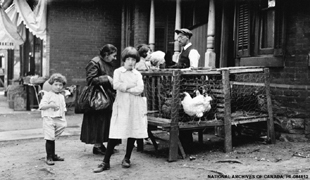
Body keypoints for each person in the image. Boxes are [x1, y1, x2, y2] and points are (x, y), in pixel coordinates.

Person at [93, 46, 148, 173]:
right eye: (128, 59)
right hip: (121, 104)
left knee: (132, 129)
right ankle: (105, 161)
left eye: (133, 60)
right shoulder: (118, 72)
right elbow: (116, 85)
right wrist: (130, 87)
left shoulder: (137, 74)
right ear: (124, 60)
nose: (131, 62)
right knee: (115, 131)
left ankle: (127, 158)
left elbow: (140, 89)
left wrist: (126, 88)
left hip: (134, 104)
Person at [80, 44, 118, 155]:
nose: (115, 58)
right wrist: (106, 78)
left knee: (104, 121)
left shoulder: (103, 62)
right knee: (99, 121)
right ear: (106, 54)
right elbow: (91, 80)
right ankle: (98, 146)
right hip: (98, 98)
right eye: (113, 55)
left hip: (104, 97)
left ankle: (100, 145)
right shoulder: (95, 62)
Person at [39, 73, 67, 166]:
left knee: (53, 136)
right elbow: (41, 106)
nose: (58, 87)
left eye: (60, 85)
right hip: (49, 118)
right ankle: (49, 157)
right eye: (56, 84)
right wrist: (51, 105)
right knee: (49, 138)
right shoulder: (47, 95)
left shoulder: (61, 96)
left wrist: (63, 118)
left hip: (58, 118)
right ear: (51, 85)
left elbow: (63, 109)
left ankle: (53, 155)